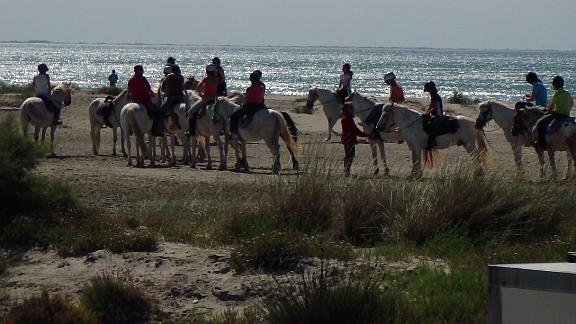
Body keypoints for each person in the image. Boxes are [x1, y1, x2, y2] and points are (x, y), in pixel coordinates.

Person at [533, 76, 574, 148]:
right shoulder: (567, 93)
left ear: (555, 85)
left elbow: (551, 108)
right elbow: (572, 103)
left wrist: (546, 112)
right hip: (566, 115)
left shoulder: (556, 94)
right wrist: (567, 110)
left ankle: (542, 144)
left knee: (540, 123)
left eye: (553, 84)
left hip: (558, 114)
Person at [185, 64, 219, 136]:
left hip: (206, 99)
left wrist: (201, 94)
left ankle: (191, 131)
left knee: (190, 112)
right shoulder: (216, 79)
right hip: (215, 99)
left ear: (207, 71)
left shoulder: (205, 79)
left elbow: (198, 87)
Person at [127, 65, 161, 135]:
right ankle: (155, 130)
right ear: (138, 71)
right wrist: (152, 94)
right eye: (141, 70)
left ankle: (128, 128)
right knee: (157, 112)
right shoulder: (143, 79)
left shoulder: (131, 80)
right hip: (145, 101)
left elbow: (129, 91)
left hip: (134, 101)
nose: (143, 71)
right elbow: (148, 89)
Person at [230, 70, 266, 136]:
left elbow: (246, 100)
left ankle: (234, 133)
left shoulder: (249, 89)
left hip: (251, 107)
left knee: (233, 116)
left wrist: (242, 105)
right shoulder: (262, 87)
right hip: (261, 106)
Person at [341, 103, 367, 177]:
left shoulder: (346, 117)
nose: (353, 109)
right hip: (349, 139)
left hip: (347, 138)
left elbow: (355, 129)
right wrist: (365, 134)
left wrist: (363, 134)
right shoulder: (347, 118)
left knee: (349, 155)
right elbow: (354, 130)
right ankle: (347, 171)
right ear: (347, 109)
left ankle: (347, 171)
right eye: (351, 108)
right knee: (350, 156)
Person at [160, 64, 185, 129]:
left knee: (161, 111)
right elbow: (182, 87)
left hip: (172, 97)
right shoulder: (181, 77)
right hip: (181, 97)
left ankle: (163, 126)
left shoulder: (169, 76)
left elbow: (167, 88)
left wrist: (163, 94)